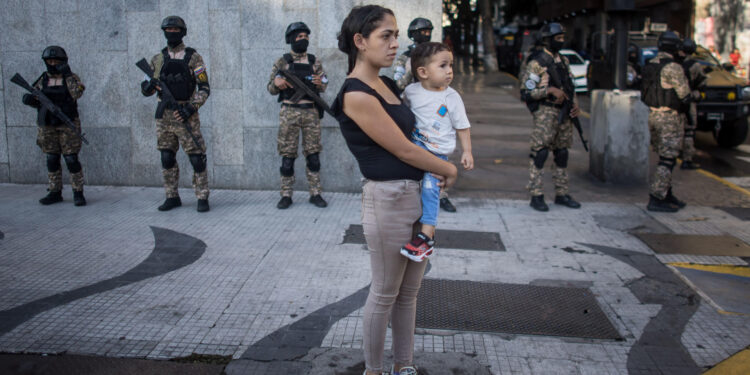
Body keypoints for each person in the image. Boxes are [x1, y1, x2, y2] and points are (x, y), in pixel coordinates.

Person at [332, 5, 457, 375]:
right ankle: (374, 370)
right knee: (385, 293)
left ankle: (404, 366)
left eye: (395, 35)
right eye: (385, 35)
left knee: (409, 294)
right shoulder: (355, 94)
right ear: (360, 41)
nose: (394, 43)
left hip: (417, 197)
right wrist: (447, 168)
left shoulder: (387, 85)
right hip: (387, 201)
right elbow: (402, 149)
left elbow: (418, 132)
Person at [399, 42, 473, 262]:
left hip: (436, 155)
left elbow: (463, 126)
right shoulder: (411, 92)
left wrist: (467, 151)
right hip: (415, 147)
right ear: (422, 72)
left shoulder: (452, 97)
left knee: (431, 189)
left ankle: (426, 237)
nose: (449, 70)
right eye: (443, 65)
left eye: (451, 65)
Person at [141, 16, 211, 212]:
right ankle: (172, 195)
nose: (172, 33)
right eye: (168, 29)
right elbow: (146, 88)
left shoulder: (194, 58)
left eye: (175, 29)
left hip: (186, 114)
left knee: (197, 157)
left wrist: (191, 108)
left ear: (183, 32)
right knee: (166, 156)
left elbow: (204, 87)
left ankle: (202, 196)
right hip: (165, 115)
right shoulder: (158, 59)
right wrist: (148, 86)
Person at [393, 17, 458, 213]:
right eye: (422, 31)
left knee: (438, 151)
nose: (426, 34)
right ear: (413, 34)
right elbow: (398, 85)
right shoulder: (404, 58)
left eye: (428, 31)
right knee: (413, 151)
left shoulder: (437, 56)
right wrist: (412, 64)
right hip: (412, 111)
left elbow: (446, 82)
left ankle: (441, 194)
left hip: (434, 111)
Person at [519, 23, 582, 212]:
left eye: (563, 38)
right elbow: (526, 92)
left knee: (562, 153)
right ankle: (536, 194)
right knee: (540, 153)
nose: (561, 42)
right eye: (558, 38)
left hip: (564, 113)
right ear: (547, 39)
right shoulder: (537, 63)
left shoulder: (563, 60)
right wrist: (549, 90)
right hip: (546, 112)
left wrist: (575, 104)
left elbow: (570, 85)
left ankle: (562, 193)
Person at [267, 22, 329, 209]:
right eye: (299, 36)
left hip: (310, 112)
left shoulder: (314, 61)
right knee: (288, 158)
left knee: (313, 156)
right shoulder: (282, 62)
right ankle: (286, 194)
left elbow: (325, 81)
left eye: (306, 36)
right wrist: (277, 83)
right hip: (289, 112)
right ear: (291, 39)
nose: (303, 39)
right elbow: (270, 87)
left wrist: (320, 82)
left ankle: (315, 193)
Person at [22, 46, 87, 206]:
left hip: (67, 124)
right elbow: (34, 94)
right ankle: (54, 191)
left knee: (71, 158)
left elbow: (77, 93)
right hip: (47, 125)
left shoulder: (71, 77)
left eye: (56, 61)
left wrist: (67, 74)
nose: (52, 63)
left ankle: (78, 192)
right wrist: (29, 100)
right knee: (52, 158)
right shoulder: (43, 78)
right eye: (49, 61)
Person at [640, 31, 692, 212]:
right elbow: (685, 95)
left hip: (653, 116)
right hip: (669, 117)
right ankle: (656, 197)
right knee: (668, 159)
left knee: (665, 156)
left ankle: (666, 194)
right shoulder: (673, 67)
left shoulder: (650, 65)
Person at [679, 39, 708, 170]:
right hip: (688, 101)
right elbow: (702, 82)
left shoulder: (675, 63)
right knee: (689, 131)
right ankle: (687, 159)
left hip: (674, 102)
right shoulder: (694, 65)